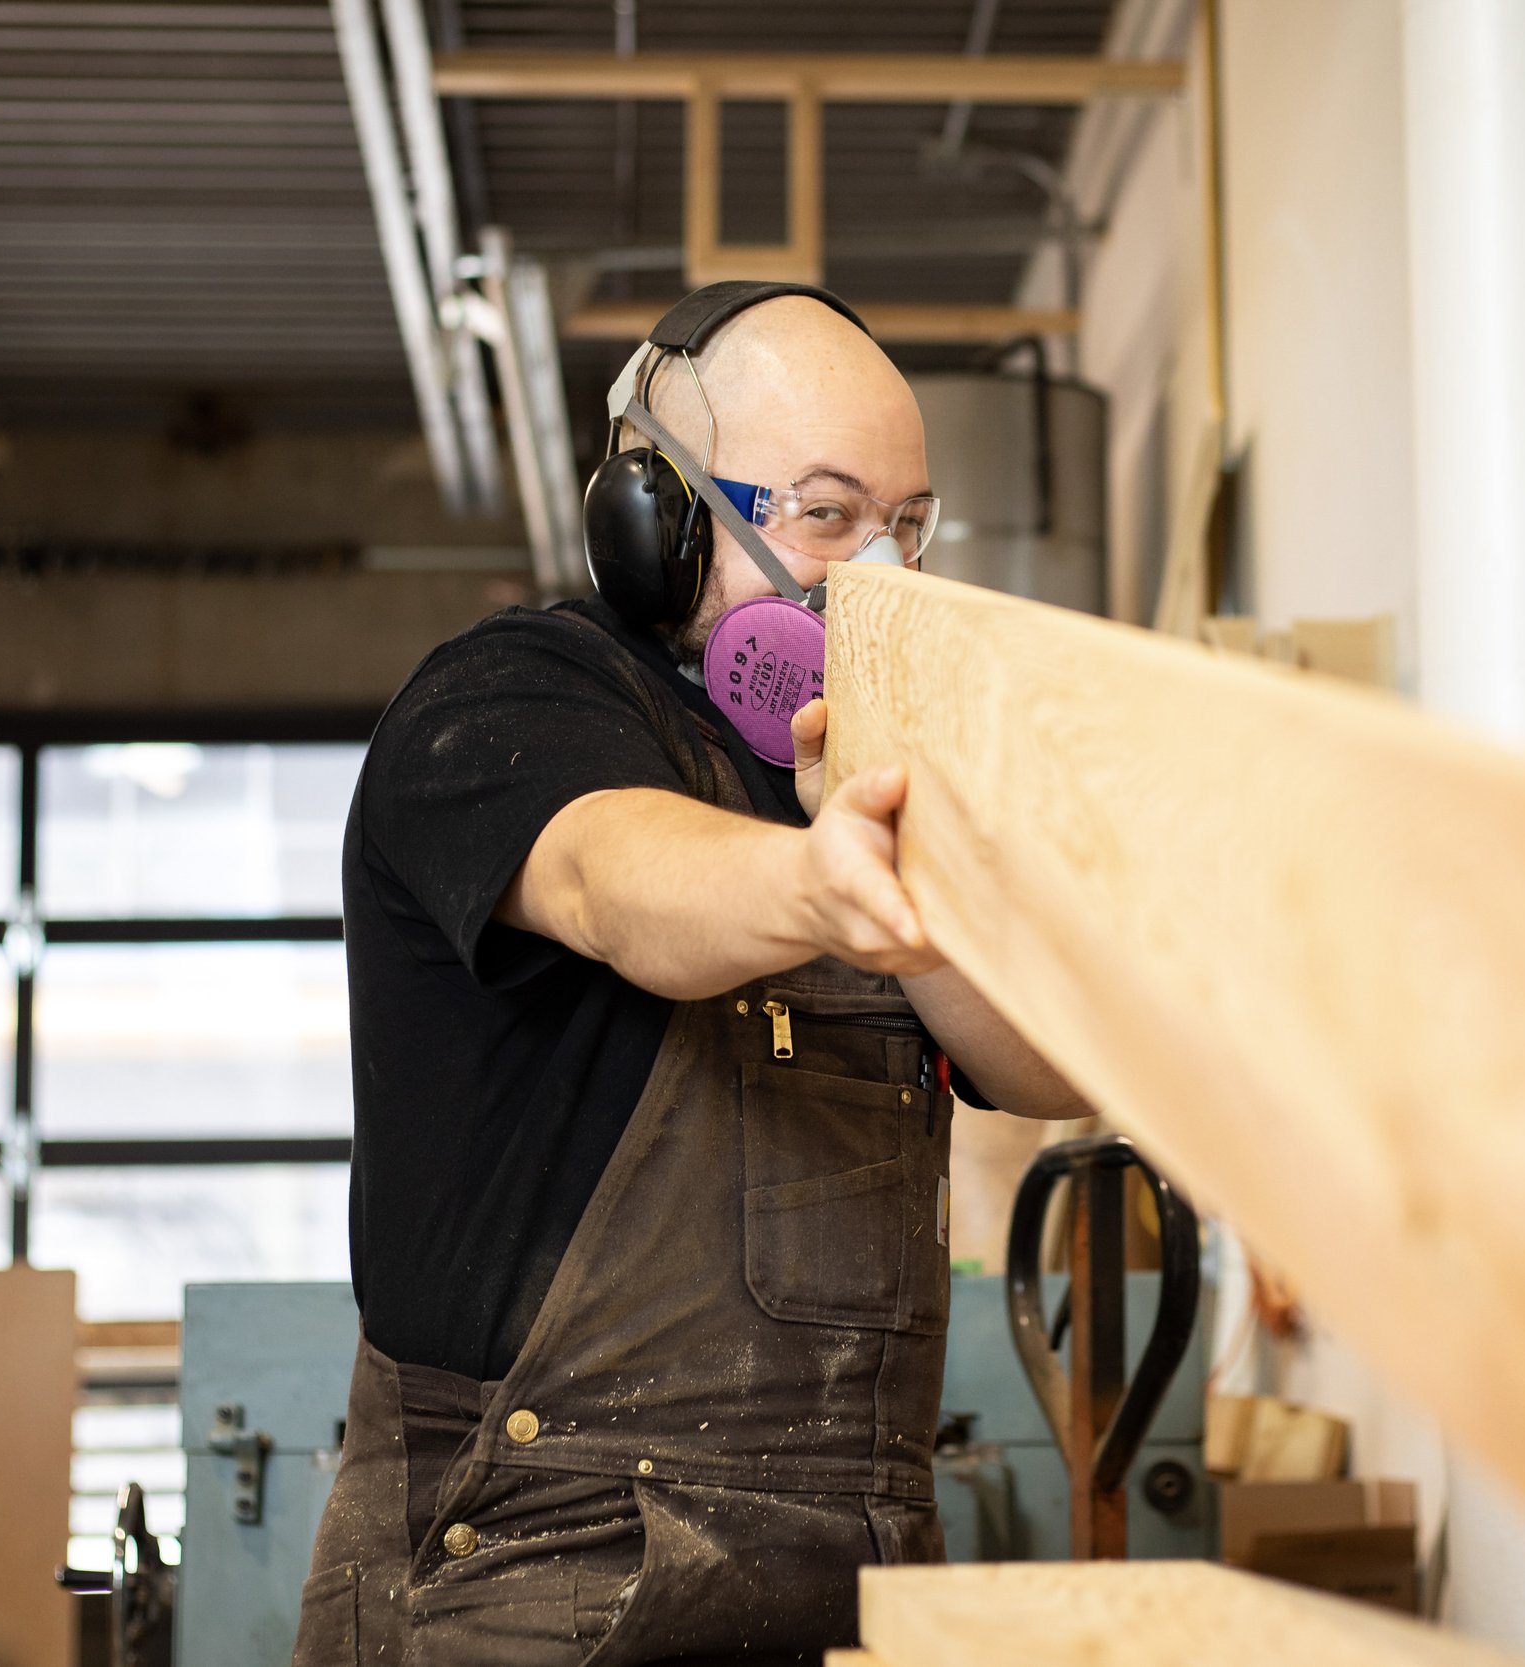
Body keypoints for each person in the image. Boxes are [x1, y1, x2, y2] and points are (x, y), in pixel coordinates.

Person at [294, 283, 1087, 1667]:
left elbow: (1039, 1065)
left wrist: (915, 870)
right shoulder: (512, 701)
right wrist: (819, 884)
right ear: (652, 518)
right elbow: (614, 883)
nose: (875, 573)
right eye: (826, 514)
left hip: (848, 1575)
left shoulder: (856, 771)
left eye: (908, 523)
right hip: (532, 1577)